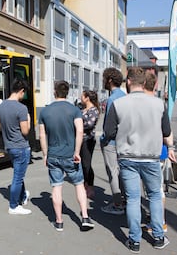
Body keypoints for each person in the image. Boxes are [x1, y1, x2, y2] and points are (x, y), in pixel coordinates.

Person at [104, 67, 172, 253]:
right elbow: (166, 131)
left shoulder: (119, 104)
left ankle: (134, 241)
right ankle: (158, 237)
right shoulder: (159, 104)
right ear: (144, 83)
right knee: (155, 196)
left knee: (133, 199)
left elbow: (108, 132)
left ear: (128, 82)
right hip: (150, 157)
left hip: (127, 157)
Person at [39, 80, 94, 232]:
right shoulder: (75, 110)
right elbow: (80, 132)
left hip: (53, 155)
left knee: (56, 187)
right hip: (70, 155)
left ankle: (59, 221)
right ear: (67, 92)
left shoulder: (44, 111)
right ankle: (84, 217)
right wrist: (77, 152)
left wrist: (45, 154)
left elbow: (42, 135)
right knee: (79, 184)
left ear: (54, 92)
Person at [143, 71, 176, 234]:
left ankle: (158, 221)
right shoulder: (160, 105)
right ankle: (158, 220)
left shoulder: (139, 104)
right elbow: (167, 132)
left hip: (143, 152)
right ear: (155, 85)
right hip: (159, 152)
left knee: (151, 191)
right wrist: (170, 148)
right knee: (157, 190)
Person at [0, 78, 31, 215]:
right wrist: (28, 119)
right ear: (21, 91)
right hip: (21, 146)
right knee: (17, 177)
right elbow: (25, 131)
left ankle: (22, 197)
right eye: (24, 93)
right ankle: (13, 206)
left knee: (19, 174)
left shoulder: (2, 105)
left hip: (9, 146)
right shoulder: (22, 108)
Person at [99, 67, 126, 215]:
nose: (103, 81)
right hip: (124, 141)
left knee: (113, 173)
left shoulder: (112, 99)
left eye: (104, 78)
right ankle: (124, 200)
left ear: (109, 80)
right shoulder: (125, 96)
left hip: (111, 142)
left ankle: (117, 204)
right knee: (122, 172)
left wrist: (103, 139)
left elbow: (109, 126)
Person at [80, 90, 100, 199]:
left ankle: (90, 186)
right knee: (82, 164)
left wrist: (79, 122)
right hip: (80, 139)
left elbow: (89, 124)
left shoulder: (93, 110)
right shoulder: (83, 109)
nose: (81, 97)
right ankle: (84, 184)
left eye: (82, 96)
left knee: (87, 164)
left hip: (88, 140)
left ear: (87, 98)